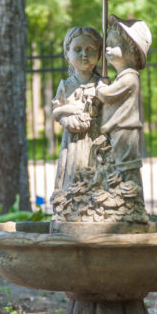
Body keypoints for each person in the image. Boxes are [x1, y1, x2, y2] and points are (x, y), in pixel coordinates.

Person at [96, 15, 151, 187]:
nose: (108, 49)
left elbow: (106, 95)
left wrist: (100, 87)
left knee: (125, 161)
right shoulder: (121, 76)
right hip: (116, 127)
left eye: (114, 45)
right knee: (115, 158)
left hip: (124, 128)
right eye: (108, 44)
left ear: (130, 50)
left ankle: (128, 187)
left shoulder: (129, 78)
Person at [51, 26, 103, 193]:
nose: (84, 54)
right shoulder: (66, 86)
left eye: (90, 50)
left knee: (96, 174)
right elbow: (56, 111)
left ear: (100, 54)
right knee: (73, 173)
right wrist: (67, 118)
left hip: (96, 139)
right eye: (78, 49)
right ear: (67, 53)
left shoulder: (102, 84)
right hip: (73, 141)